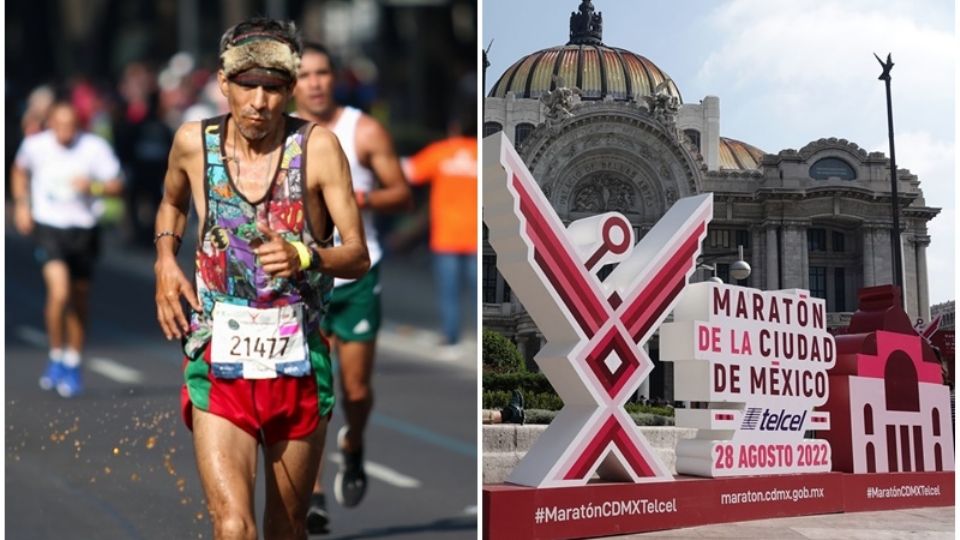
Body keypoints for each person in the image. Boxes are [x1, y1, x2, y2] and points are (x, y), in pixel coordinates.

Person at [152, 18, 369, 539]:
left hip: (297, 365)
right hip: (218, 361)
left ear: (289, 90)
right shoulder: (193, 143)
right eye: (247, 85)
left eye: (273, 88)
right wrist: (165, 261)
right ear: (223, 84)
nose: (258, 102)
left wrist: (306, 256)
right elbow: (172, 202)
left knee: (287, 527)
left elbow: (357, 255)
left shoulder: (316, 149)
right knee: (233, 527)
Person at [293, 42, 412, 532]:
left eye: (323, 73)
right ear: (292, 81)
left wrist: (358, 196)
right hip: (305, 278)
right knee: (315, 391)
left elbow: (401, 191)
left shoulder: (362, 129)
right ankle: (315, 493)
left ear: (334, 77)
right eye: (305, 75)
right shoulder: (283, 134)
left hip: (359, 274)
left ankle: (354, 444)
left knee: (355, 391)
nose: (315, 83)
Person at [11, 101, 124, 398]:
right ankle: (56, 354)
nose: (65, 132)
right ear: (50, 124)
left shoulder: (94, 148)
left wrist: (94, 188)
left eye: (70, 126)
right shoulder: (36, 146)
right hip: (50, 227)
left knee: (79, 298)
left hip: (84, 230)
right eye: (59, 125)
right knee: (59, 292)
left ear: (79, 125)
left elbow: (117, 184)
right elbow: (19, 171)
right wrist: (22, 205)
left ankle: (73, 360)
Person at [404, 110, 478, 355]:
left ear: (454, 128)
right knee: (479, 293)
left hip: (446, 234)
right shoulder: (483, 154)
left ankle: (451, 336)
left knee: (450, 292)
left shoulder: (442, 152)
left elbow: (410, 172)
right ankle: (483, 341)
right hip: (476, 236)